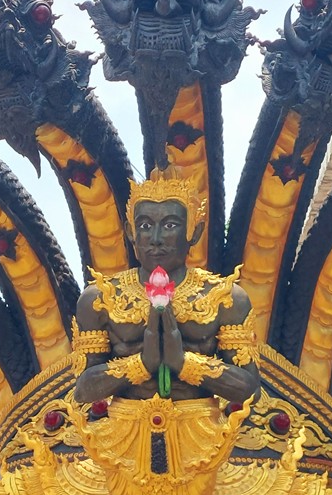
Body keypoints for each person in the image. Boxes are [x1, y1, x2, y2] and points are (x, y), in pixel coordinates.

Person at [72, 171, 260, 405]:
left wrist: (183, 363)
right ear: (131, 232)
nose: (156, 238)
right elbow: (83, 390)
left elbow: (250, 390)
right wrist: (141, 364)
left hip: (200, 423)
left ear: (194, 232)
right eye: (145, 225)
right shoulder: (101, 298)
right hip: (124, 423)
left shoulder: (224, 297)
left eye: (170, 225)